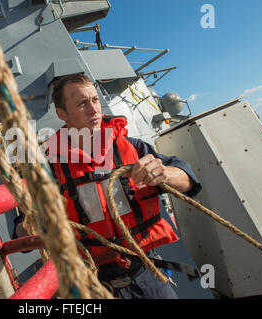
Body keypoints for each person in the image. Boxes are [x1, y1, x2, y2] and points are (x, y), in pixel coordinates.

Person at [17, 73, 202, 299]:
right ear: (62, 114)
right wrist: (32, 224)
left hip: (147, 276)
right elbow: (22, 235)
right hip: (93, 285)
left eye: (95, 100)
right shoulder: (49, 169)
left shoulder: (133, 149)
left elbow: (188, 180)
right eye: (82, 103)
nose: (94, 109)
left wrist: (166, 173)